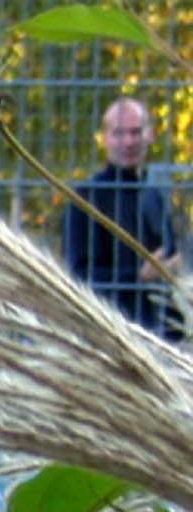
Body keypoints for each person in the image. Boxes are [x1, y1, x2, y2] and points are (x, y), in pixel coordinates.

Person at [62, 96, 182, 343]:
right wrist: (138, 276)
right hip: (109, 330)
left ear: (150, 135)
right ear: (105, 138)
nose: (128, 141)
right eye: (119, 133)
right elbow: (78, 274)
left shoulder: (154, 194)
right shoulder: (86, 198)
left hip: (158, 331)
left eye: (136, 132)